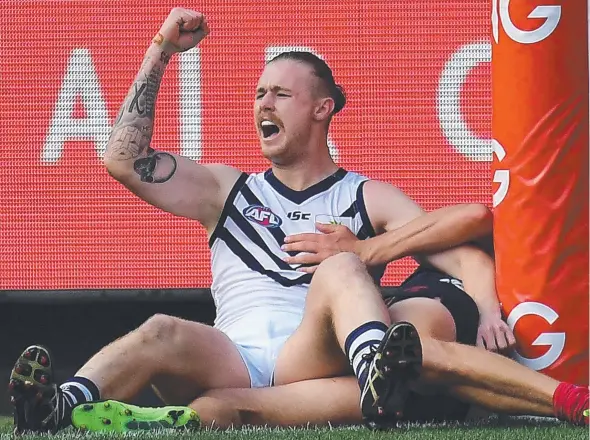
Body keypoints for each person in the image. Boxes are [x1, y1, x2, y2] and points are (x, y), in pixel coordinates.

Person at [8, 7, 587, 434]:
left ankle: (374, 373)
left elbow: (464, 245)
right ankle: (58, 405)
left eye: (279, 94)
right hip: (230, 355)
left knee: (339, 271)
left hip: (314, 357)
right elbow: (120, 160)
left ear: (321, 107)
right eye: (259, 93)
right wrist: (160, 50)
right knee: (162, 329)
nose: (262, 104)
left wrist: (478, 303)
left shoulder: (366, 196)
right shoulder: (226, 188)